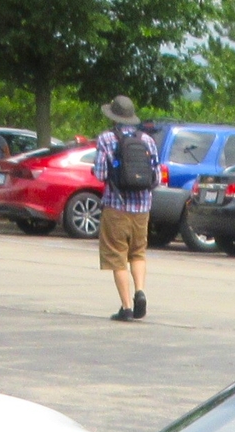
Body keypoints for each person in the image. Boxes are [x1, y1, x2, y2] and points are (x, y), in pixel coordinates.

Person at [91, 96, 158, 322]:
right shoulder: (147, 140)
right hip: (142, 208)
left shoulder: (106, 138)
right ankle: (140, 290)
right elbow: (156, 177)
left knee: (117, 256)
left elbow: (100, 174)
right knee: (138, 253)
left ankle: (126, 307)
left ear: (113, 116)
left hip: (116, 206)